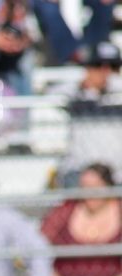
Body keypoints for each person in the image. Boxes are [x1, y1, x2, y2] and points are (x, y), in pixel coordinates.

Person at [41, 163, 122, 276]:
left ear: (109, 187)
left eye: (96, 188)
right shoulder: (66, 209)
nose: (89, 193)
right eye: (84, 187)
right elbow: (35, 245)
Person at [50, 41, 122, 187]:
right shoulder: (77, 94)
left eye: (112, 67)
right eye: (97, 66)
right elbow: (52, 95)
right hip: (80, 170)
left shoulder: (118, 93)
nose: (104, 72)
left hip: (117, 172)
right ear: (87, 69)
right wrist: (85, 86)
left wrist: (109, 85)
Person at [33, 0, 117, 65]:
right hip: (65, 48)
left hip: (93, 44)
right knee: (49, 9)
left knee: (105, 5)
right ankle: (73, 56)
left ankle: (92, 55)